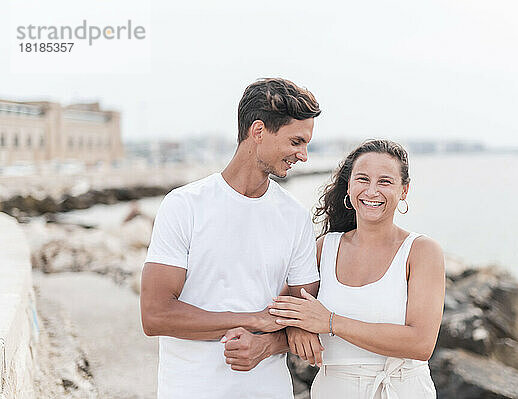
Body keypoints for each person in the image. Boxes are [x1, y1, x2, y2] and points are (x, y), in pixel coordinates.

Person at [140, 78, 325, 398]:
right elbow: (155, 315)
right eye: (296, 141)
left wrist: (265, 345)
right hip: (191, 388)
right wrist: (254, 319)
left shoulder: (294, 217)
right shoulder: (185, 205)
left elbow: (305, 321)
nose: (303, 155)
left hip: (268, 389)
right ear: (258, 131)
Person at [269, 139, 445, 398]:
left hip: (401, 389)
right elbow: (282, 305)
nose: (372, 191)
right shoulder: (324, 249)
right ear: (349, 186)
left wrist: (329, 322)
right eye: (363, 179)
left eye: (385, 181)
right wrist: (297, 326)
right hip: (333, 390)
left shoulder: (421, 251)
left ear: (404, 190)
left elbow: (421, 343)